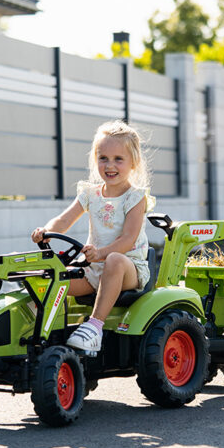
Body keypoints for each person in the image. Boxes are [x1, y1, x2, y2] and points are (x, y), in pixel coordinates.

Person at [31, 120, 155, 354]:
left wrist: (100, 253)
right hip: (93, 270)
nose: (110, 165)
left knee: (115, 259)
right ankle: (40, 330)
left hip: (128, 268)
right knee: (53, 278)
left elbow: (128, 239)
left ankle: (95, 327)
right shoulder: (90, 194)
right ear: (95, 158)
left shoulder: (135, 198)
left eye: (118, 159)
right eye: (103, 158)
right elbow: (63, 220)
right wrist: (45, 231)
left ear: (133, 163)